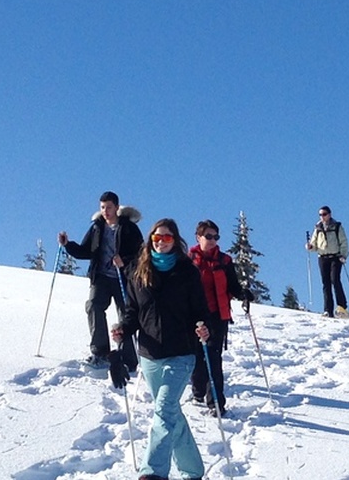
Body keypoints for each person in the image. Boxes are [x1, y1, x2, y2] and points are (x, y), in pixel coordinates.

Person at [111, 218, 214, 480]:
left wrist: (203, 327)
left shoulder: (187, 272)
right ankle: (193, 471)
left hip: (181, 353)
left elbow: (199, 310)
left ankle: (153, 472)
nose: (161, 242)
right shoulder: (139, 271)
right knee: (170, 414)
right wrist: (123, 327)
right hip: (150, 356)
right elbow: (133, 311)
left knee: (164, 409)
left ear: (175, 241)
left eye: (167, 238)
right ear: (150, 241)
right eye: (157, 238)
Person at [60, 191, 143, 365]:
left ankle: (128, 358)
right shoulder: (97, 227)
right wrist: (68, 245)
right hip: (101, 277)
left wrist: (124, 261)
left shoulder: (129, 228)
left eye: (109, 207)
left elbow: (141, 254)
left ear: (117, 208)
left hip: (124, 277)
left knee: (126, 315)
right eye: (103, 207)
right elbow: (86, 251)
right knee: (93, 306)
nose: (105, 211)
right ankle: (100, 352)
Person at [188, 220, 249, 417]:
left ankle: (216, 402)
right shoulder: (189, 260)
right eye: (208, 236)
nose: (213, 240)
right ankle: (197, 391)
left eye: (216, 237)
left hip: (217, 315)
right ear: (198, 237)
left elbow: (233, 285)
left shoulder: (225, 261)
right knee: (197, 356)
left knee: (213, 358)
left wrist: (244, 294)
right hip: (194, 316)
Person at [305, 205, 349, 318]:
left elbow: (343, 242)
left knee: (335, 280)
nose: (322, 217)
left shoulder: (337, 226)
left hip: (336, 257)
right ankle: (328, 310)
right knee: (326, 283)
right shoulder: (318, 228)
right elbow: (314, 244)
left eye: (324, 214)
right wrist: (310, 247)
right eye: (320, 215)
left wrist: (344, 255)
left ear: (329, 215)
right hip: (322, 257)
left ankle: (342, 307)